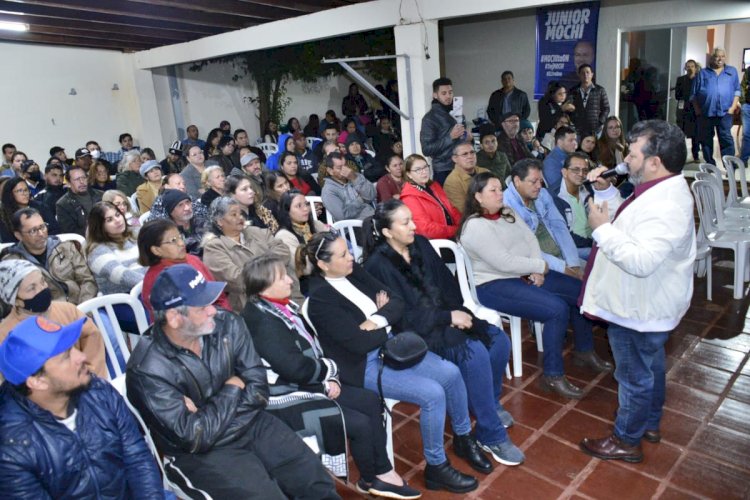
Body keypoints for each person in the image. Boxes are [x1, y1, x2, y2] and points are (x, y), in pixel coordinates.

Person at [126, 264, 339, 499]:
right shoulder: (147, 370)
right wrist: (232, 387)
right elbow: (194, 438)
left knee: (313, 479)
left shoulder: (228, 324)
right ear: (175, 318)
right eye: (203, 306)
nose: (214, 311)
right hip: (200, 456)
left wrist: (209, 419)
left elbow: (258, 389)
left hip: (252, 424)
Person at [304, 232, 484, 493]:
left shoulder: (354, 272)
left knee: (451, 373)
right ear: (323, 264)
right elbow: (358, 343)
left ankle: (463, 437)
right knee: (432, 394)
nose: (351, 257)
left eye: (349, 251)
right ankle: (437, 467)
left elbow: (396, 301)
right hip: (364, 364)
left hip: (393, 348)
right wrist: (384, 316)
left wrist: (376, 319)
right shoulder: (322, 299)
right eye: (343, 255)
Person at [241, 255, 421, 499]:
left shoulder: (280, 306)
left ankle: (379, 474)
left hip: (310, 379)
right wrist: (328, 379)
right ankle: (373, 477)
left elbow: (308, 352)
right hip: (284, 393)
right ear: (264, 285)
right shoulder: (261, 320)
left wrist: (329, 377)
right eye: (281, 276)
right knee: (357, 422)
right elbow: (293, 368)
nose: (289, 280)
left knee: (369, 400)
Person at [362, 201, 525, 465]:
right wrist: (447, 318)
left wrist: (459, 314)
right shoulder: (377, 266)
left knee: (498, 341)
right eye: (405, 223)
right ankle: (489, 433)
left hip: (445, 317)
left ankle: (488, 404)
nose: (413, 226)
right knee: (473, 352)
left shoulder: (422, 245)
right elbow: (401, 317)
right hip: (417, 333)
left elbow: (448, 286)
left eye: (412, 219)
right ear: (387, 232)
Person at [579, 120, 696, 463]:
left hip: (640, 306)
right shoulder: (658, 189)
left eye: (632, 154)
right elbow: (632, 224)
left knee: (633, 376)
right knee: (651, 366)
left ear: (654, 161)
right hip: (645, 303)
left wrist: (600, 231)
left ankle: (626, 440)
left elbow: (641, 259)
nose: (625, 160)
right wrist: (604, 194)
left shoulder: (667, 204)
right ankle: (650, 423)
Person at [458, 173, 611, 399]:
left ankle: (584, 351)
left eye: (501, 188)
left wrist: (536, 269)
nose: (500, 193)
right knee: (556, 309)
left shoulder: (507, 213)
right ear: (478, 197)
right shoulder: (474, 227)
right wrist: (538, 266)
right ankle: (552, 375)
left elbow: (530, 239)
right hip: (494, 284)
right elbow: (503, 262)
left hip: (526, 272)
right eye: (493, 190)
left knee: (580, 291)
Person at [0, 316, 164, 498]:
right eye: (66, 356)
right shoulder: (10, 448)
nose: (82, 356)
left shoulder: (99, 392)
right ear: (37, 381)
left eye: (73, 348)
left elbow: (137, 459)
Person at [0, 260, 106, 379]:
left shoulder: (67, 310)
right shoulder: (5, 335)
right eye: (31, 288)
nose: (42, 289)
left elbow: (92, 335)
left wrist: (89, 375)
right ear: (16, 301)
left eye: (42, 282)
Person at [202, 196, 301, 311]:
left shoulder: (256, 232)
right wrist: (271, 267)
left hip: (288, 297)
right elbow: (237, 279)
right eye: (234, 214)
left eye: (240, 213)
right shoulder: (214, 247)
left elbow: (283, 250)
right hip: (252, 306)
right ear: (219, 221)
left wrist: (259, 268)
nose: (240, 217)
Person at [1, 207, 98, 305]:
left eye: (42, 227)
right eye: (33, 231)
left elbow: (87, 280)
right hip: (44, 314)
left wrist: (84, 308)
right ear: (18, 235)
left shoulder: (66, 248)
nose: (41, 233)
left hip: (82, 306)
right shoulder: (12, 263)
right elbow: (11, 300)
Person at [138, 219, 230, 318]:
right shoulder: (159, 280)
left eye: (180, 237)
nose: (181, 243)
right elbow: (178, 322)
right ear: (156, 250)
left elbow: (219, 296)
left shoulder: (192, 259)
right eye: (173, 240)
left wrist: (227, 317)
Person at [504, 159, 582, 276]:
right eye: (534, 181)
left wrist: (573, 264)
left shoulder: (542, 194)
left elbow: (559, 227)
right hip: (538, 267)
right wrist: (563, 268)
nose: (539, 186)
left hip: (561, 255)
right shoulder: (506, 206)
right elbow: (526, 249)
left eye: (540, 181)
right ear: (517, 181)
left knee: (597, 273)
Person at [553, 153, 622, 260]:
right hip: (576, 245)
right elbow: (565, 236)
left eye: (585, 170)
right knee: (605, 256)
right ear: (564, 172)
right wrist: (595, 242)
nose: (581, 174)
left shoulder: (590, 188)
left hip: (596, 236)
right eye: (576, 170)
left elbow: (609, 212)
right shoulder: (555, 197)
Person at [691, 47, 741, 165]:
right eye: (717, 56)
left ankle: (729, 166)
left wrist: (732, 108)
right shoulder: (702, 73)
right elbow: (693, 94)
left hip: (725, 112)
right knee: (706, 140)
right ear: (712, 58)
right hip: (706, 112)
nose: (720, 59)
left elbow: (737, 91)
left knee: (726, 139)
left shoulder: (732, 71)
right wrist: (698, 110)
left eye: (722, 56)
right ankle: (710, 165)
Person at [85, 201, 145, 297]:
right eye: (109, 220)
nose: (117, 220)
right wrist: (153, 281)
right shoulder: (97, 251)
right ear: (100, 226)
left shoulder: (134, 233)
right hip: (124, 299)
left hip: (147, 289)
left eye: (118, 215)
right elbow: (123, 276)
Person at [274, 190, 327, 291]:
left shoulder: (314, 224)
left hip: (324, 270)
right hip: (306, 282)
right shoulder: (284, 236)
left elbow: (334, 241)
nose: (306, 209)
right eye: (299, 206)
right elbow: (305, 268)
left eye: (306, 204)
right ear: (287, 211)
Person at [400, 153, 461, 239]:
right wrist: (456, 230)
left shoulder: (434, 185)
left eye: (425, 167)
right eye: (418, 170)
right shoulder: (409, 197)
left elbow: (451, 209)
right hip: (438, 242)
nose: (424, 172)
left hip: (453, 234)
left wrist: (463, 224)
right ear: (409, 174)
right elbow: (426, 229)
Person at [420, 77, 468, 185]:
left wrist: (466, 136)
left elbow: (462, 139)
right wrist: (450, 137)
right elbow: (426, 149)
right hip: (443, 169)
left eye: (450, 92)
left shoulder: (458, 113)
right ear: (435, 95)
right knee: (446, 201)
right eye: (444, 93)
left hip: (462, 165)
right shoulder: (429, 119)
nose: (448, 96)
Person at [320, 152, 376, 221]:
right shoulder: (328, 191)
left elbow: (371, 196)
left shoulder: (354, 175)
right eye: (339, 168)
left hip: (372, 216)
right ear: (330, 171)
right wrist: (360, 200)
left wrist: (354, 178)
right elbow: (343, 216)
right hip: (354, 226)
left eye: (345, 166)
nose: (345, 170)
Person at [55, 165, 103, 237]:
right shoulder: (63, 204)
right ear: (68, 183)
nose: (82, 182)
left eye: (84, 178)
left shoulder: (101, 195)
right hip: (86, 241)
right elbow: (70, 232)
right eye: (77, 179)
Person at [444, 143, 490, 214]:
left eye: (472, 152)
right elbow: (463, 210)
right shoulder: (451, 182)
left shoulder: (485, 172)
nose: (470, 156)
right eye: (465, 154)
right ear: (455, 159)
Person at [569, 64, 610, 138]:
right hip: (578, 130)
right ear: (579, 75)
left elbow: (606, 108)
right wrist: (574, 121)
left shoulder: (600, 90)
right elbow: (569, 109)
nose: (585, 75)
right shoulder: (573, 91)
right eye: (583, 73)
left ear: (592, 74)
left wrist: (600, 122)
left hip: (595, 130)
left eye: (588, 72)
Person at [0, 177, 45, 243]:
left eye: (26, 190)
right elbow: (8, 241)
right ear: (10, 194)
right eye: (19, 191)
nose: (24, 193)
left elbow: (54, 229)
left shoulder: (40, 206)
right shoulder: (3, 215)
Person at [674, 59, 701, 162]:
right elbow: (678, 95)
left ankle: (696, 155)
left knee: (696, 134)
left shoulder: (699, 79)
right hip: (683, 110)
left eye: (692, 66)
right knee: (681, 133)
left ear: (695, 67)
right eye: (688, 66)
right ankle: (681, 155)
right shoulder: (681, 80)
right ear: (685, 68)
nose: (690, 68)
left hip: (695, 110)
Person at [542, 126, 578, 193]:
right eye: (570, 140)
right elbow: (557, 189)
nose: (575, 144)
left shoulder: (570, 156)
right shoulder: (551, 162)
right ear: (559, 142)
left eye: (575, 140)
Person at [742, 65, 750, 163]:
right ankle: (743, 160)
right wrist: (743, 102)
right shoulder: (749, 70)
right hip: (747, 105)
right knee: (747, 134)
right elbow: (742, 86)